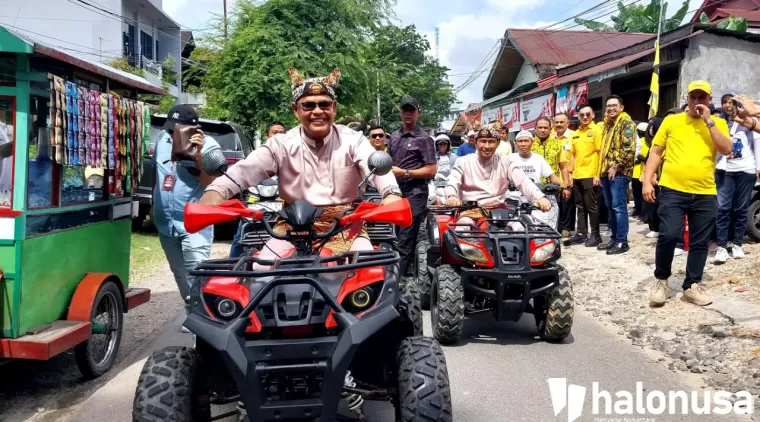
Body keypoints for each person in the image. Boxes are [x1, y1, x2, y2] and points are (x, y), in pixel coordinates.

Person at [200, 67, 402, 261]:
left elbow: (375, 167)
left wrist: (391, 193)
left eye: (324, 104)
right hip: (289, 229)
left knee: (369, 273)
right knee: (262, 273)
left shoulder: (353, 140)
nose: (317, 111)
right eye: (308, 105)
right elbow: (246, 169)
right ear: (296, 109)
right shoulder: (280, 144)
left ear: (334, 107)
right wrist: (217, 191)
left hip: (346, 227)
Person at [643, 80, 732, 307]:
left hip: (704, 192)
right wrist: (647, 180)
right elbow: (656, 151)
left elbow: (726, 149)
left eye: (702, 98)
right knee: (669, 235)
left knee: (699, 242)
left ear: (709, 100)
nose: (697, 102)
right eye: (693, 97)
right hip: (673, 189)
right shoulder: (672, 121)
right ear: (687, 99)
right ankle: (661, 280)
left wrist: (709, 121)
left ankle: (691, 285)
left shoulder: (718, 123)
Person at [152, 104, 221, 331]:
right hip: (166, 221)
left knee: (197, 269)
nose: (173, 134)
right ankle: (192, 310)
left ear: (194, 128)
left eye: (178, 130)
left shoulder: (209, 146)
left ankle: (204, 318)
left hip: (194, 221)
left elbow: (208, 182)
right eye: (171, 129)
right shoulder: (162, 139)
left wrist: (199, 155)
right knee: (179, 272)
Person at [445, 127, 552, 227]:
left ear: (498, 144)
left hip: (500, 211)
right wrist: (451, 197)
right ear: (476, 143)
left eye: (491, 142)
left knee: (521, 230)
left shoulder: (505, 161)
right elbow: (453, 181)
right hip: (470, 212)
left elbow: (523, 181)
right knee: (463, 230)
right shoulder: (463, 162)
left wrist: (539, 197)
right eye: (483, 141)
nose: (487, 146)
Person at [387, 96, 437, 277]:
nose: (408, 113)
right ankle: (397, 274)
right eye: (405, 110)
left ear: (418, 113)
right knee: (394, 235)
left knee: (406, 239)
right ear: (400, 112)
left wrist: (405, 172)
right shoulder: (393, 136)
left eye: (412, 110)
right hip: (395, 192)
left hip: (415, 193)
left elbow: (431, 170)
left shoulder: (424, 139)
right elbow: (387, 163)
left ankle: (399, 282)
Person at [713, 88, 760, 264]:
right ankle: (721, 246)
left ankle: (738, 244)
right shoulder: (718, 122)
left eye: (731, 101)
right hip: (725, 170)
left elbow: (757, 142)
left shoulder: (748, 120)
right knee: (723, 208)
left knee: (741, 208)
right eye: (725, 101)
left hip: (746, 169)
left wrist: (758, 166)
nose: (728, 105)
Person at [228, 121, 287, 258]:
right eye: (275, 132)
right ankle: (233, 265)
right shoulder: (258, 156)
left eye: (281, 132)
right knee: (241, 232)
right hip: (256, 202)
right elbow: (243, 174)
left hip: (284, 205)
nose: (278, 135)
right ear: (267, 135)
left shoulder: (293, 156)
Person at [596, 95, 636, 255]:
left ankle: (622, 241)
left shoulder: (626, 123)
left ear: (621, 108)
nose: (611, 108)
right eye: (608, 106)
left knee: (619, 207)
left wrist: (615, 166)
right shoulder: (608, 125)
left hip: (619, 172)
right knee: (610, 207)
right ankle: (614, 238)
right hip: (607, 172)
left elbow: (629, 148)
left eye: (614, 105)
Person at [564, 104, 602, 247]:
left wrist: (597, 175)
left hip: (590, 174)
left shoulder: (597, 130)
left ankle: (595, 235)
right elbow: (572, 154)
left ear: (593, 116)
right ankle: (581, 234)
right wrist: (570, 174)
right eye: (582, 115)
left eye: (587, 114)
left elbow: (600, 154)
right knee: (580, 206)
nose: (585, 117)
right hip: (577, 175)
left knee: (591, 206)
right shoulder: (576, 133)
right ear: (578, 117)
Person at [532, 116, 570, 235]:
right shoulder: (529, 144)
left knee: (553, 213)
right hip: (534, 187)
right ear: (535, 129)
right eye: (540, 127)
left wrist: (566, 186)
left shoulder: (557, 144)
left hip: (553, 187)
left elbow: (563, 166)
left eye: (545, 128)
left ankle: (554, 235)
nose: (543, 130)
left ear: (550, 129)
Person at [639, 117, 663, 238]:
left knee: (659, 204)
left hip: (661, 178)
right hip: (650, 177)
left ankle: (659, 227)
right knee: (650, 202)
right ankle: (653, 227)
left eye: (653, 127)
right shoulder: (651, 142)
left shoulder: (663, 141)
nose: (650, 129)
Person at [554, 112, 576, 238]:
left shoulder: (573, 136)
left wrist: (571, 174)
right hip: (554, 175)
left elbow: (576, 156)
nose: (559, 124)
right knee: (556, 203)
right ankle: (557, 226)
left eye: (562, 122)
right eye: (557, 122)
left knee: (567, 202)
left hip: (568, 174)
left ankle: (566, 228)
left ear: (567, 123)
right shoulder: (551, 137)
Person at [631, 121, 649, 219]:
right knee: (637, 193)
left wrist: (641, 158)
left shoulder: (645, 142)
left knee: (640, 194)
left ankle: (642, 212)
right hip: (636, 171)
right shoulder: (642, 141)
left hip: (641, 172)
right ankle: (638, 210)